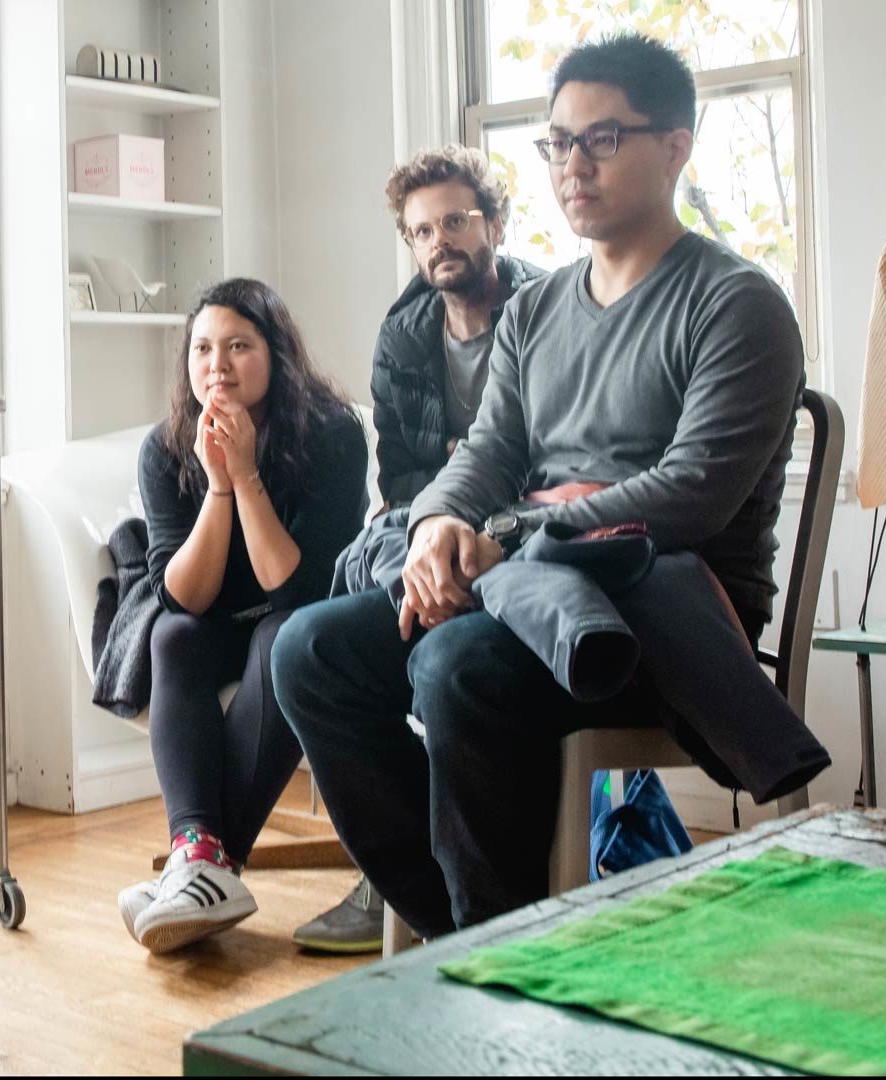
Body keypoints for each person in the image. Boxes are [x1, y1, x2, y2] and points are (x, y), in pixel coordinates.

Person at [271, 33, 816, 937]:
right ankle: (475, 938)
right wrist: (440, 523)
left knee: (451, 664)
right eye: (557, 143)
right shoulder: (535, 309)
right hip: (524, 590)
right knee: (310, 651)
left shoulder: (738, 304)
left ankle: (505, 964)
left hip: (658, 621)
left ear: (675, 146)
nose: (573, 165)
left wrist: (509, 535)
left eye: (601, 140)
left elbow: (691, 495)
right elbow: (486, 452)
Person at [294, 145, 547, 954]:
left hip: (526, 541)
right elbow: (400, 480)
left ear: (495, 223)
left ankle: (486, 898)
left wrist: (480, 537)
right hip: (430, 539)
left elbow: (568, 463)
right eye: (419, 230)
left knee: (436, 651)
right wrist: (433, 543)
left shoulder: (553, 309)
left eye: (454, 222)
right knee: (320, 632)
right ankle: (430, 890)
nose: (438, 241)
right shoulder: (403, 336)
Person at [116, 278, 367, 954]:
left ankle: (201, 870)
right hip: (212, 625)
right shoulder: (166, 448)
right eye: (201, 349)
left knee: (283, 638)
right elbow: (183, 597)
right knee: (172, 635)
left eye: (237, 346)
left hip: (294, 620)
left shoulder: (335, 434)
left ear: (276, 353)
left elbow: (297, 591)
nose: (216, 366)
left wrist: (248, 474)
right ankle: (198, 855)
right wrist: (218, 483)